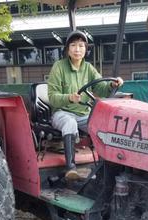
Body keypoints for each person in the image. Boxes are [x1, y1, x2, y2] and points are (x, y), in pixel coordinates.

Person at [47, 30, 123, 180]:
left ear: (85, 49)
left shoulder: (88, 68)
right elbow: (52, 97)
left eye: (81, 46)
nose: (77, 49)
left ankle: (106, 167)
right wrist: (69, 97)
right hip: (62, 113)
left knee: (102, 126)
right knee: (69, 123)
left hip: (83, 114)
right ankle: (71, 168)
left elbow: (101, 88)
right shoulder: (59, 67)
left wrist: (112, 85)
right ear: (67, 49)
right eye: (73, 45)